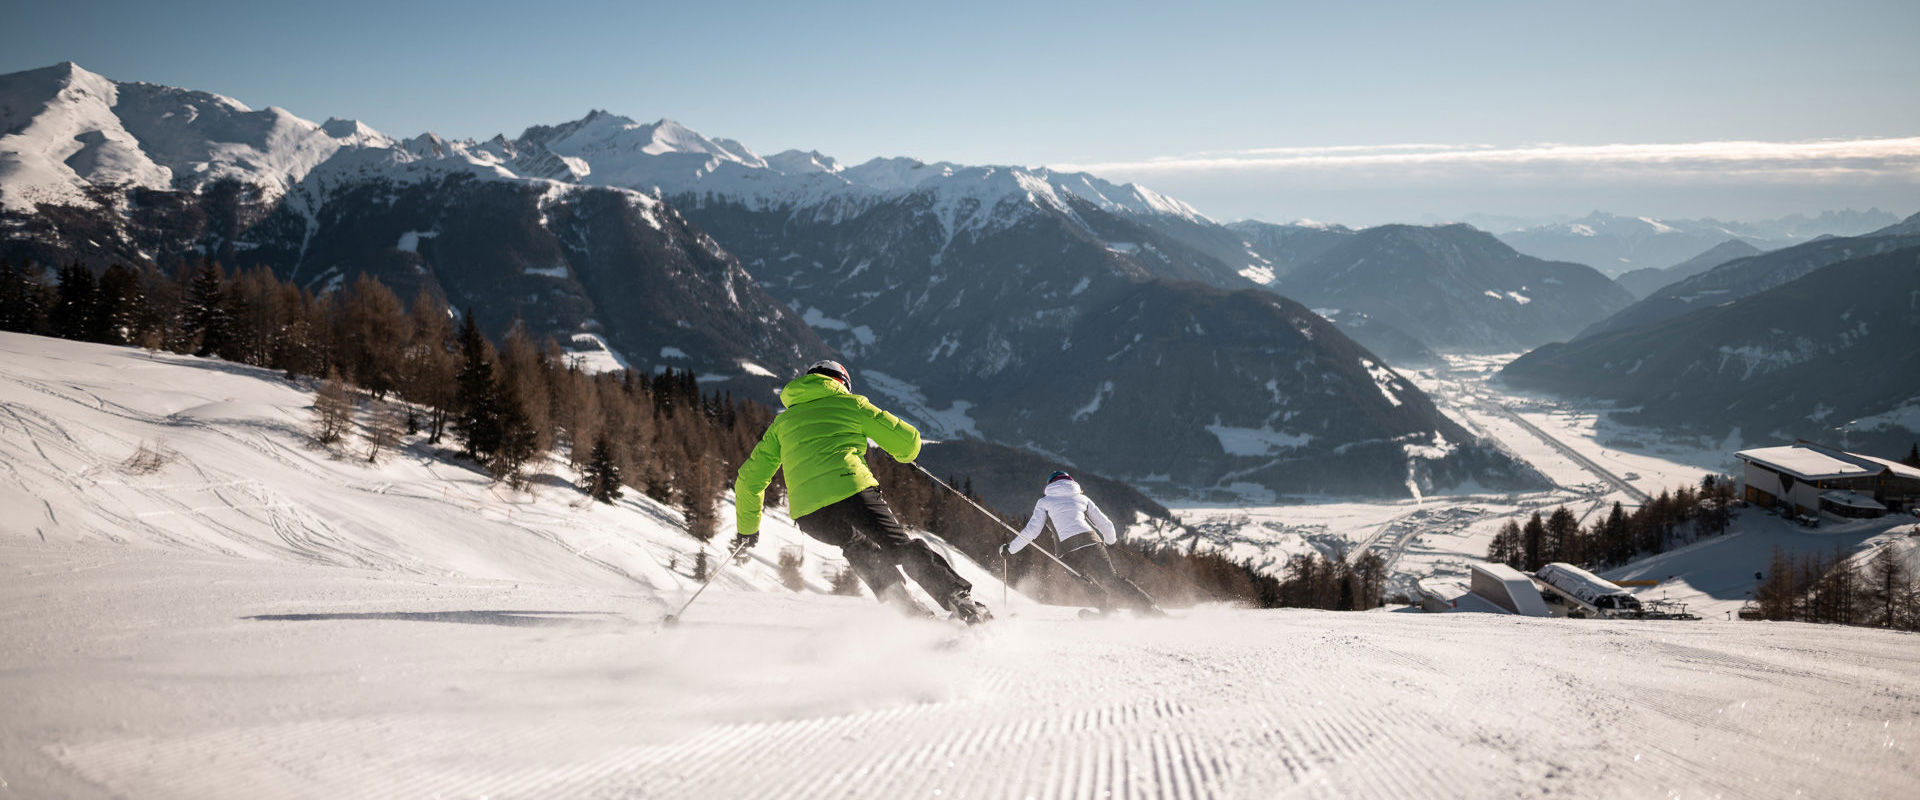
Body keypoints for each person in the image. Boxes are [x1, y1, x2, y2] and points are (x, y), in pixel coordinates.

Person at [733, 360, 992, 624]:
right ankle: (960, 601)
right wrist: (904, 454)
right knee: (899, 547)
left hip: (808, 513)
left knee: (855, 545)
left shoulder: (782, 423)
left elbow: (748, 481)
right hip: (852, 491)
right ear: (841, 382)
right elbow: (909, 442)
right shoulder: (851, 404)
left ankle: (905, 607)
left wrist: (748, 530)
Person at [1009, 471, 1163, 616]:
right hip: (1091, 542)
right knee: (1111, 578)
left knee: (1083, 579)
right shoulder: (1082, 499)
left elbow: (1032, 531)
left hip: (1067, 550)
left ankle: (1107, 610)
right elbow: (1106, 525)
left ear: (1049, 486)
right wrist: (1111, 542)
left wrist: (1010, 549)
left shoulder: (1044, 502)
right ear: (1072, 483)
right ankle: (1148, 608)